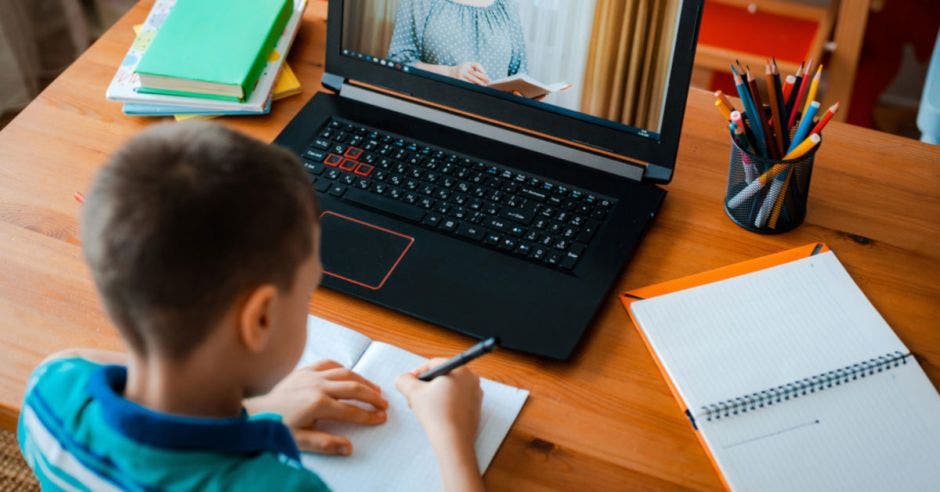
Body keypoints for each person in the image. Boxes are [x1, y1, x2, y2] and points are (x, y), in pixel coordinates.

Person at [16, 122, 485, 492]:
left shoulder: (51, 391)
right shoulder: (280, 486)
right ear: (260, 318)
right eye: (307, 295)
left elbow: (97, 361)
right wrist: (453, 437)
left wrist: (257, 409)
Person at [388, 0, 528, 86]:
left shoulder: (507, 6)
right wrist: (450, 73)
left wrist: (527, 93)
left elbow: (519, 73)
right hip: (436, 112)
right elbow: (399, 63)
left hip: (494, 121)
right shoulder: (421, 2)